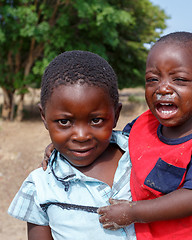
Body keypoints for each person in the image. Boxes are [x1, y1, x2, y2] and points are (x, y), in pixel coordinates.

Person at [97, 31, 192, 239]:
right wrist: (62, 148)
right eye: (152, 79)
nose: (162, 88)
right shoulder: (143, 124)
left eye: (179, 79)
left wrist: (132, 212)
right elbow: (113, 144)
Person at [8, 50, 136, 239]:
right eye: (64, 122)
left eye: (96, 120)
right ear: (44, 117)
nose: (82, 136)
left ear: (116, 115)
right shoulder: (41, 186)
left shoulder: (143, 155)